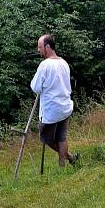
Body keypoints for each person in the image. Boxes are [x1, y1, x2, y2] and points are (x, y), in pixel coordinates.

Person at [30, 34, 78, 167]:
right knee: (61, 138)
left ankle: (68, 157)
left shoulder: (45, 65)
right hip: (65, 107)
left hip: (51, 110)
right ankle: (64, 164)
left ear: (47, 47)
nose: (38, 50)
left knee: (46, 138)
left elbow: (36, 87)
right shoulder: (64, 63)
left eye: (40, 47)